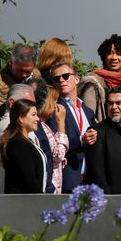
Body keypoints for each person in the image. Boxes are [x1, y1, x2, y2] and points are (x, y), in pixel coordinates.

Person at [46, 62, 97, 192]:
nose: (61, 80)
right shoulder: (54, 109)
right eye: (57, 78)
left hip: (89, 179)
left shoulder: (87, 111)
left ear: (76, 79)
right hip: (68, 179)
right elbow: (56, 144)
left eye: (65, 76)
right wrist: (81, 140)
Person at [79, 34, 121, 123]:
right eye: (109, 53)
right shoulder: (93, 83)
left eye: (119, 54)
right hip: (104, 133)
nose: (114, 57)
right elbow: (89, 116)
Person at [0, 84, 37, 194]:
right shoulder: (9, 128)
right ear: (12, 103)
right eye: (27, 103)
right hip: (14, 198)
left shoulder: (18, 127)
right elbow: (26, 172)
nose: (32, 107)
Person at [29, 77, 69, 194]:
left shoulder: (45, 126)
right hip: (49, 188)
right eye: (55, 102)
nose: (56, 106)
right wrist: (61, 123)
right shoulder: (40, 126)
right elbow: (58, 154)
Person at [0, 99, 46, 193]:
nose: (37, 118)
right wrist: (41, 199)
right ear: (21, 118)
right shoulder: (17, 143)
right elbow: (29, 179)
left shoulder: (24, 141)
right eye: (33, 115)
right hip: (23, 203)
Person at [0, 43, 40, 113]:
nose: (24, 75)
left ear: (34, 66)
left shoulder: (36, 74)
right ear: (10, 63)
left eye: (28, 71)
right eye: (20, 70)